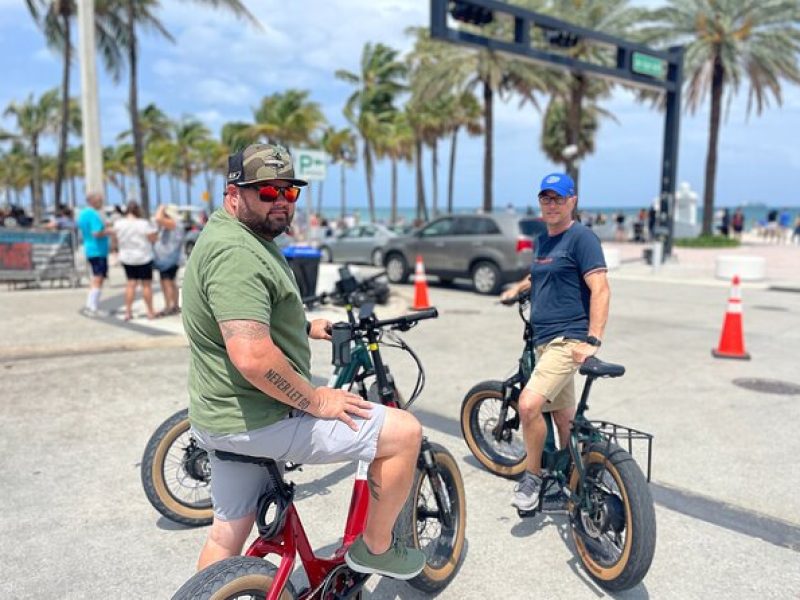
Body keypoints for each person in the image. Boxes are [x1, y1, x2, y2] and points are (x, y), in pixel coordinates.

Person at [181, 143, 426, 579]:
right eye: (267, 192)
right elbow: (253, 357)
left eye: (288, 192)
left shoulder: (235, 235)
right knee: (404, 431)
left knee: (225, 535)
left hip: (222, 419)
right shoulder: (237, 254)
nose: (280, 202)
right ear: (233, 193)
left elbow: (248, 319)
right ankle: (377, 548)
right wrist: (316, 400)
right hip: (260, 419)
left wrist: (306, 327)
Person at [500, 173, 609, 513]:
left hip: (567, 340)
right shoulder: (543, 240)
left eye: (558, 198)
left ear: (572, 201)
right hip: (543, 342)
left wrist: (593, 339)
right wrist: (517, 289)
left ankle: (533, 477)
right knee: (564, 419)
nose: (551, 204)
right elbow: (539, 274)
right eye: (545, 198)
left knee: (529, 405)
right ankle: (572, 482)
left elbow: (601, 288)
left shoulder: (581, 237)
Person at [113, 201, 158, 320]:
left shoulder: (119, 224)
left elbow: (115, 240)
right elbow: (152, 239)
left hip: (127, 257)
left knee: (130, 284)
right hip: (144, 256)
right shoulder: (143, 224)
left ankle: (128, 312)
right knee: (146, 285)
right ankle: (150, 312)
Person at [76, 193, 111, 316]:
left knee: (95, 277)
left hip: (90, 249)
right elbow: (96, 232)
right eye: (100, 200)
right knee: (98, 277)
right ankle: (93, 307)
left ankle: (90, 305)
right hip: (98, 250)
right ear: (93, 201)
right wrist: (109, 231)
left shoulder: (82, 214)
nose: (101, 203)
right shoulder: (93, 215)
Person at [152, 204, 185, 316]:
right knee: (170, 282)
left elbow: (157, 218)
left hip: (169, 259)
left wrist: (161, 207)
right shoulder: (173, 224)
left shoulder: (174, 223)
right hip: (168, 258)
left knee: (167, 283)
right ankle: (174, 305)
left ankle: (169, 306)